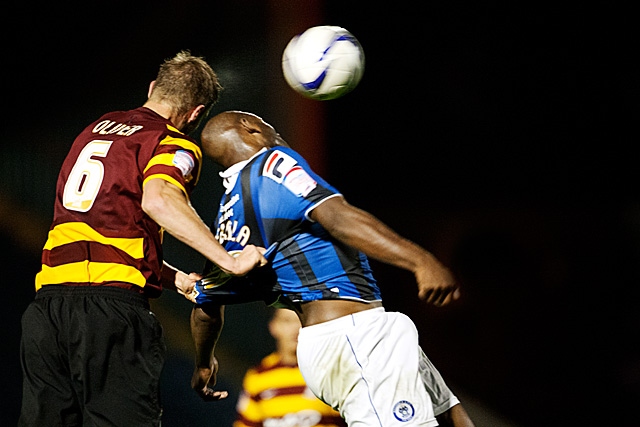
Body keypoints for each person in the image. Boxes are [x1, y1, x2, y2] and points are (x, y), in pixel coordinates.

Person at [19, 53, 267, 427]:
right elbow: (159, 199)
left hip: (48, 310)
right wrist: (229, 259)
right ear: (196, 113)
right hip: (110, 313)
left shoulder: (94, 129)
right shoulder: (172, 142)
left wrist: (175, 278)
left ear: (153, 88)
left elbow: (102, 229)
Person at [187, 110, 475, 426]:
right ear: (249, 127)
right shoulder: (272, 165)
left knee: (450, 416)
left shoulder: (227, 221)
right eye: (267, 122)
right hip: (353, 337)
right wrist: (420, 259)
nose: (275, 129)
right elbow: (338, 217)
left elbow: (205, 306)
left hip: (337, 342)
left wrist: (204, 363)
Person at [234, 307, 347, 427]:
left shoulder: (330, 368)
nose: (295, 329)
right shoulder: (258, 376)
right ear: (274, 326)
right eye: (287, 321)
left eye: (301, 320)